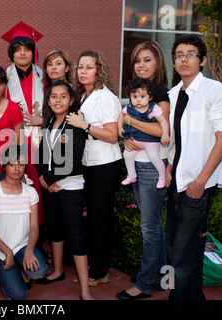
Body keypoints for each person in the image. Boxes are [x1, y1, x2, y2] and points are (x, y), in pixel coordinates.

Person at [165, 35, 222, 300]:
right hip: (177, 182)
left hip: (198, 185)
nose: (184, 59)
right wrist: (170, 167)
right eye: (179, 54)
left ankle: (177, 297)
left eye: (190, 54)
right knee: (176, 248)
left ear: (202, 60)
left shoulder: (214, 91)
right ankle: (188, 295)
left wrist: (201, 182)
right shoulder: (173, 94)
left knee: (184, 251)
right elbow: (176, 139)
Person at [116, 40, 170, 300]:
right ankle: (159, 276)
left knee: (149, 227)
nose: (141, 65)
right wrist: (126, 134)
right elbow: (130, 127)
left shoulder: (160, 94)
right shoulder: (138, 91)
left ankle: (144, 283)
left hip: (151, 167)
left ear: (158, 62)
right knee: (154, 225)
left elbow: (161, 131)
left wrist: (129, 119)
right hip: (138, 162)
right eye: (137, 60)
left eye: (147, 59)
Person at [66, 50, 122, 287]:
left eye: (89, 67)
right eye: (80, 67)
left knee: (100, 219)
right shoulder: (84, 95)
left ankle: (101, 270)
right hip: (88, 164)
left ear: (99, 70)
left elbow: (111, 135)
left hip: (104, 165)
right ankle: (96, 263)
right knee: (94, 218)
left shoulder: (106, 98)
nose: (83, 71)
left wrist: (84, 125)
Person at [36, 80, 93, 300]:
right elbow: (42, 153)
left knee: (75, 233)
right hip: (49, 185)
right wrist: (43, 176)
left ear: (71, 100)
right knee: (55, 229)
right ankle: (58, 271)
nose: (58, 100)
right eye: (53, 96)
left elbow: (73, 159)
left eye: (63, 96)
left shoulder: (75, 123)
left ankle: (85, 290)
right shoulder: (48, 123)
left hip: (70, 185)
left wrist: (49, 179)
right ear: (48, 101)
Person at [0, 144, 48, 300]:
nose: (17, 168)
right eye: (12, 164)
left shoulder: (30, 192)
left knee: (39, 271)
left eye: (21, 164)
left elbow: (34, 227)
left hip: (21, 245)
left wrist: (29, 250)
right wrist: (7, 251)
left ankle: (20, 267)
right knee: (19, 295)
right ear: (4, 166)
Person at [1, 21, 45, 226]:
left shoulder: (42, 76)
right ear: (11, 53)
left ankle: (39, 232)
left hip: (39, 141)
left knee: (38, 187)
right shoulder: (2, 77)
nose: (22, 53)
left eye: (27, 49)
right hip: (12, 139)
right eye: (17, 49)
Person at [118, 77, 170, 189]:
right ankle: (131, 175)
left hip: (150, 141)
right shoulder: (130, 107)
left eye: (142, 97)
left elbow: (163, 121)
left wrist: (165, 133)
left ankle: (162, 177)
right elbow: (121, 115)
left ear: (150, 97)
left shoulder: (153, 108)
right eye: (135, 97)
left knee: (154, 157)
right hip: (136, 139)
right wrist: (119, 128)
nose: (138, 100)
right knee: (127, 154)